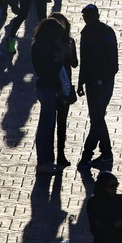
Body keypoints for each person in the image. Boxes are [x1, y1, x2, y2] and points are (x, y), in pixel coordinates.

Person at [77, 4, 119, 168]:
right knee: (97, 117)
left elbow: (113, 61)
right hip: (91, 83)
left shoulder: (107, 32)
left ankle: (88, 154)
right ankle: (106, 153)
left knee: (97, 117)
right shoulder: (85, 33)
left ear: (97, 15)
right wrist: (81, 82)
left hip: (104, 83)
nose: (87, 18)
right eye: (85, 15)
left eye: (89, 15)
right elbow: (84, 61)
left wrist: (104, 79)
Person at [31, 18, 69, 174]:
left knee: (47, 125)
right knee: (46, 127)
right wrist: (60, 55)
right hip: (47, 88)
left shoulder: (42, 46)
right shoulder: (43, 48)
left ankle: (46, 160)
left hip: (47, 88)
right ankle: (43, 162)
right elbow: (52, 69)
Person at [49, 12, 78, 166]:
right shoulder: (48, 44)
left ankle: (61, 154)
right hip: (51, 86)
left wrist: (69, 51)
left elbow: (74, 63)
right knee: (49, 123)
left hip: (65, 86)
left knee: (62, 122)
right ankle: (49, 156)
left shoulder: (70, 41)